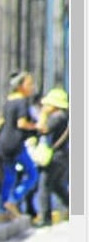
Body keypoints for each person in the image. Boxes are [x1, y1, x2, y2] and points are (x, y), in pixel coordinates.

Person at [0, 71, 38, 220]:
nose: (32, 87)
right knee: (32, 173)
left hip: (4, 143)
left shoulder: (8, 101)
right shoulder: (22, 102)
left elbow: (1, 121)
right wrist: (35, 127)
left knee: (9, 176)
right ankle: (14, 199)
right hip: (16, 143)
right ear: (20, 86)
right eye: (29, 84)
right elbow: (21, 123)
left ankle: (4, 206)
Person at [33, 87, 69, 226]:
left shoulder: (57, 117)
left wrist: (43, 114)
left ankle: (45, 217)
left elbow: (42, 129)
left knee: (45, 185)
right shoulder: (63, 117)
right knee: (57, 186)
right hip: (61, 156)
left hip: (54, 156)